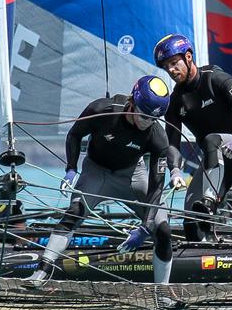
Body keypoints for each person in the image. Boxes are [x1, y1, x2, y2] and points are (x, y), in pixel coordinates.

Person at [26, 75, 174, 285]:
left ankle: (162, 291)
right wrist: (71, 168)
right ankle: (42, 271)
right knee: (75, 212)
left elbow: (157, 184)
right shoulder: (102, 110)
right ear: (132, 103)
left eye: (153, 119)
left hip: (132, 175)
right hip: (96, 171)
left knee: (163, 228)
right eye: (143, 116)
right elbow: (74, 135)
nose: (146, 122)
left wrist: (145, 228)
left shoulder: (157, 136)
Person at [154, 34, 232, 241]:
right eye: (166, 67)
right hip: (216, 166)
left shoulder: (215, 78)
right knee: (191, 219)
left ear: (189, 57)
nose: (171, 70)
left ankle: (210, 201)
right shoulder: (175, 101)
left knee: (212, 140)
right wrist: (175, 170)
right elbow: (172, 143)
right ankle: (206, 249)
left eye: (174, 63)